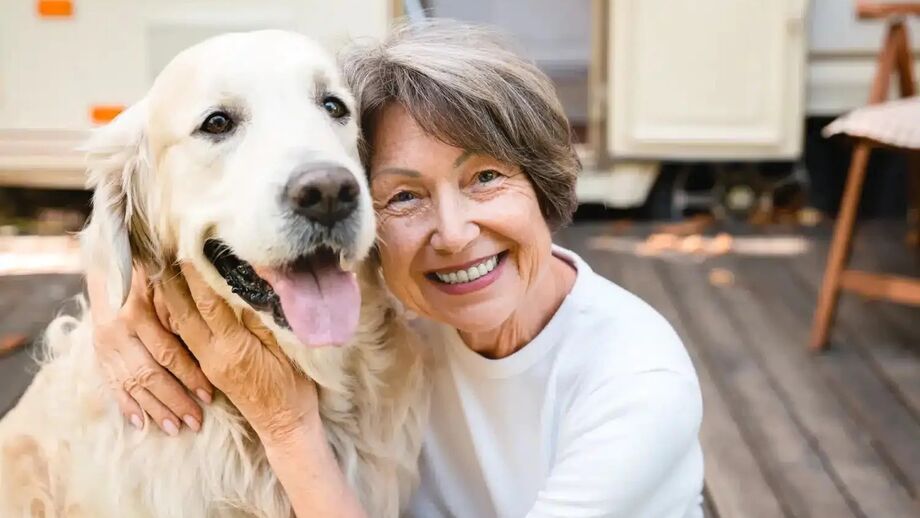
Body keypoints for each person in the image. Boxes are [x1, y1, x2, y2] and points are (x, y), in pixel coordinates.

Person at [88, 20, 704, 518]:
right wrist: (113, 301)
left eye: (486, 177)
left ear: (543, 185)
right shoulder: (407, 312)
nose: (456, 234)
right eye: (404, 195)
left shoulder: (636, 386)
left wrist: (285, 426)